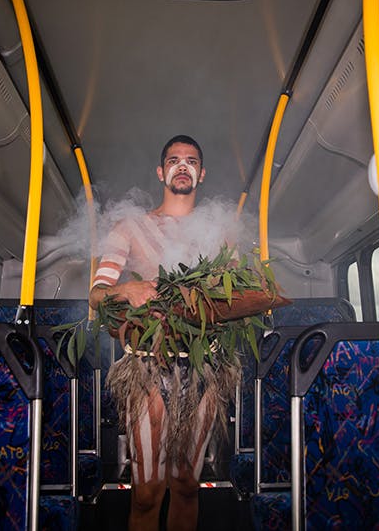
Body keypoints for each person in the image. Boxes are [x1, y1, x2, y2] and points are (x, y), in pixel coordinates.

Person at [89, 135, 240, 531]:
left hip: (204, 369)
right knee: (147, 491)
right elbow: (96, 295)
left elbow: (240, 295)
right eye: (174, 160)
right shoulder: (131, 228)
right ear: (161, 172)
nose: (182, 166)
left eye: (191, 161)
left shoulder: (220, 235)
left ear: (201, 174)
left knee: (187, 485)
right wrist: (128, 289)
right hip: (146, 368)